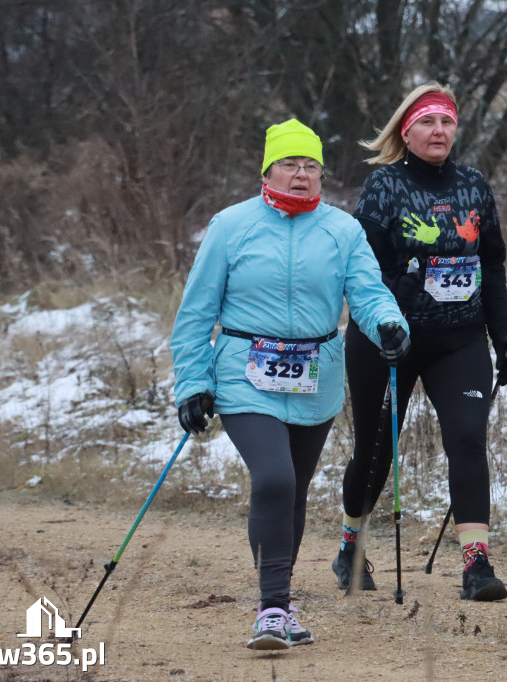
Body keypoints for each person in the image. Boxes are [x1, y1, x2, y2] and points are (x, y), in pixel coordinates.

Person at [170, 119, 410, 650]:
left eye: (311, 166)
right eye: (290, 165)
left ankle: (278, 600)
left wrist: (390, 325)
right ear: (268, 169)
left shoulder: (343, 231)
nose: (302, 175)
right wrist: (192, 382)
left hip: (315, 377)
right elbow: (195, 313)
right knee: (274, 479)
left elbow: (369, 294)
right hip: (243, 372)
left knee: (293, 492)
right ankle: (273, 608)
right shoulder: (231, 226)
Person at [332, 83, 507, 601]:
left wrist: (503, 337)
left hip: (460, 340)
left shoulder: (474, 185)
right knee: (375, 452)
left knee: (467, 440)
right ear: (406, 131)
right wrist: (400, 291)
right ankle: (351, 544)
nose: (439, 132)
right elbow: (358, 271)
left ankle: (476, 565)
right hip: (388, 340)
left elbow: (492, 263)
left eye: (447, 123)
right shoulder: (384, 186)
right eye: (428, 123)